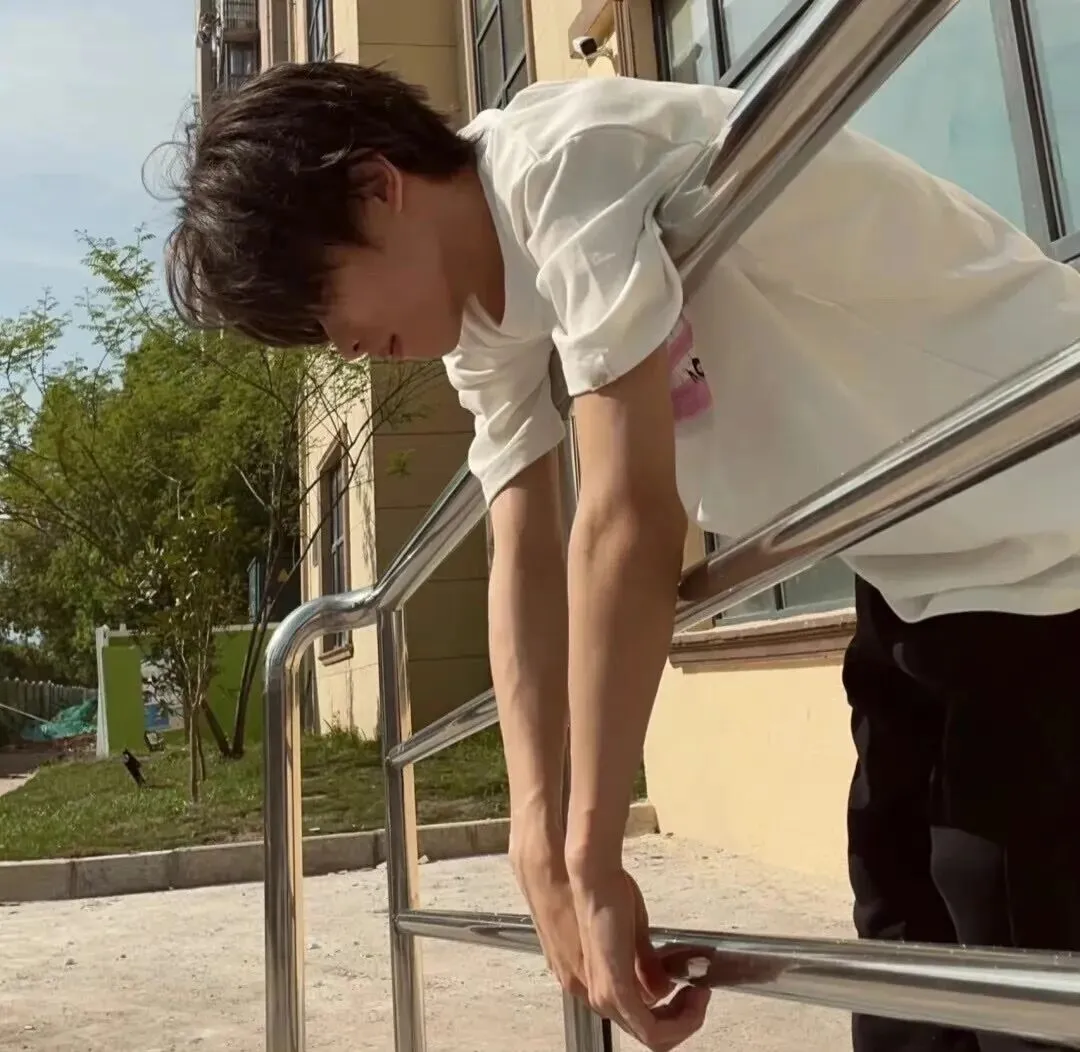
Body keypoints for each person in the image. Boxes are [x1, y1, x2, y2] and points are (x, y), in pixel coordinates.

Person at [166, 62, 1080, 1052]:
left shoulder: (565, 162)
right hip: (918, 551)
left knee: (1007, 929)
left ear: (377, 187)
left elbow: (628, 517)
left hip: (1038, 494)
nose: (340, 346)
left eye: (320, 306)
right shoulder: (482, 309)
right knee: (896, 911)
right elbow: (522, 547)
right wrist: (537, 839)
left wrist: (594, 855)